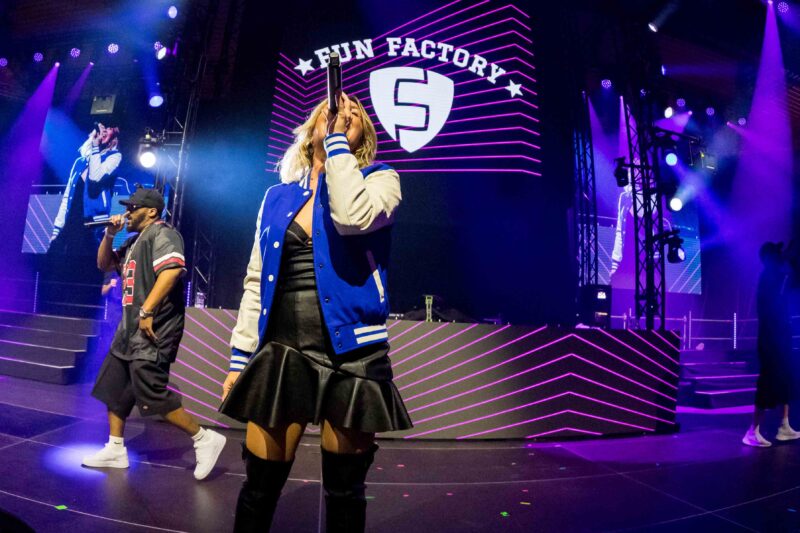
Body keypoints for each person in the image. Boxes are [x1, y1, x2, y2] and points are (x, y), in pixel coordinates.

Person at [220, 92, 412, 532]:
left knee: (344, 492)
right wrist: (239, 358)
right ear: (311, 133)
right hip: (282, 349)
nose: (343, 114)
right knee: (259, 487)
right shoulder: (276, 197)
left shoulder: (382, 179)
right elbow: (256, 280)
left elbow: (352, 216)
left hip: (354, 353)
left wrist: (337, 145)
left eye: (353, 114)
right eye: (332, 112)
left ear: (362, 134)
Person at [82, 186, 227, 479]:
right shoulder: (133, 241)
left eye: (132, 208)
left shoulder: (163, 233)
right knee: (114, 389)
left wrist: (147, 311)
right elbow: (104, 264)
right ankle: (115, 448)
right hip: (128, 331)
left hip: (155, 328)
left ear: (151, 211)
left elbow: (171, 271)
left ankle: (204, 438)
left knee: (152, 393)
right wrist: (109, 234)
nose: (127, 213)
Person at [742, 241, 800, 447]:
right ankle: (752, 431)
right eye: (776, 254)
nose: (779, 256)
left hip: (781, 334)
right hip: (770, 337)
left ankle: (784, 426)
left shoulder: (778, 275)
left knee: (785, 379)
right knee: (767, 381)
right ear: (769, 258)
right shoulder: (768, 277)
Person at [50, 124, 122, 255]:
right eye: (101, 128)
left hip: (94, 225)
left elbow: (95, 177)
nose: (103, 131)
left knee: (87, 262)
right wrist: (57, 228)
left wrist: (95, 147)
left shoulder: (114, 157)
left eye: (108, 128)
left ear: (115, 134)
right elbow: (67, 196)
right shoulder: (80, 162)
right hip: (72, 222)